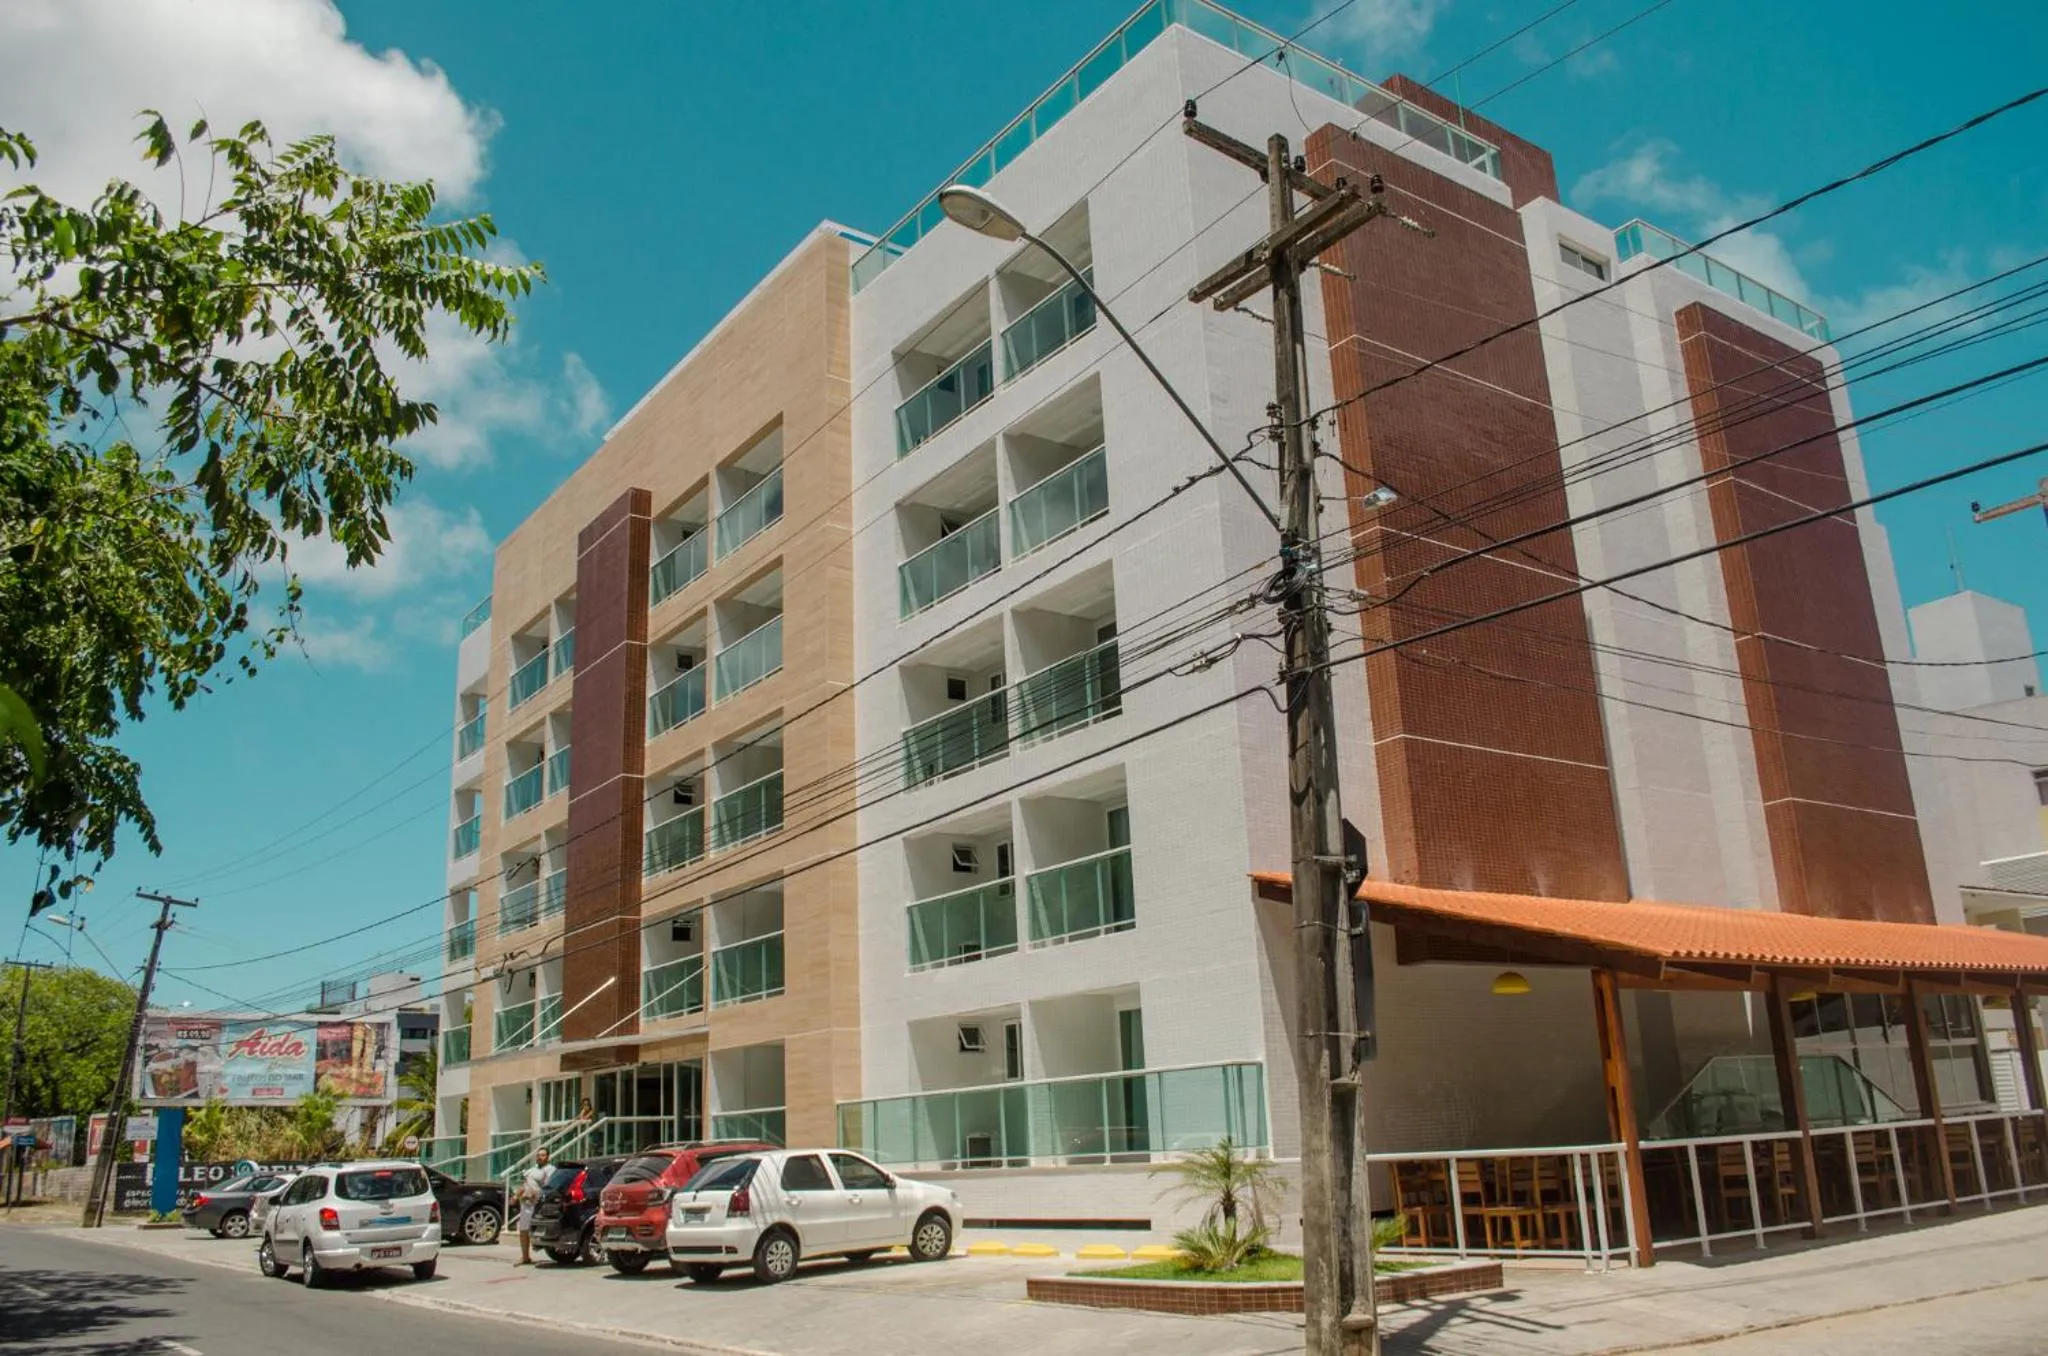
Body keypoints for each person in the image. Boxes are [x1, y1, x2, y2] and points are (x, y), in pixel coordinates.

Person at [515, 1147, 550, 1265]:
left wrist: (536, 1195)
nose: (539, 1157)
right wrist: (516, 1196)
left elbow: (548, 1187)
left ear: (548, 1157)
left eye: (543, 1155)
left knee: (535, 1229)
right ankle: (525, 1257)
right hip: (525, 1203)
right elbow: (524, 1184)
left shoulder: (550, 1169)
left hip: (537, 1203)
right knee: (523, 1229)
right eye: (538, 1155)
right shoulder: (531, 1170)